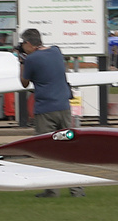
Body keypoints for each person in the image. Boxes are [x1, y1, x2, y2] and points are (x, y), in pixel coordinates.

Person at [17, 28, 84, 197]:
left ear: (28, 43)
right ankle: (77, 189)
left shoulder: (31, 59)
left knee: (46, 149)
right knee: (69, 149)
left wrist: (21, 62)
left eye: (23, 43)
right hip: (63, 107)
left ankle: (52, 189)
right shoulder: (56, 51)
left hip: (45, 109)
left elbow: (24, 82)